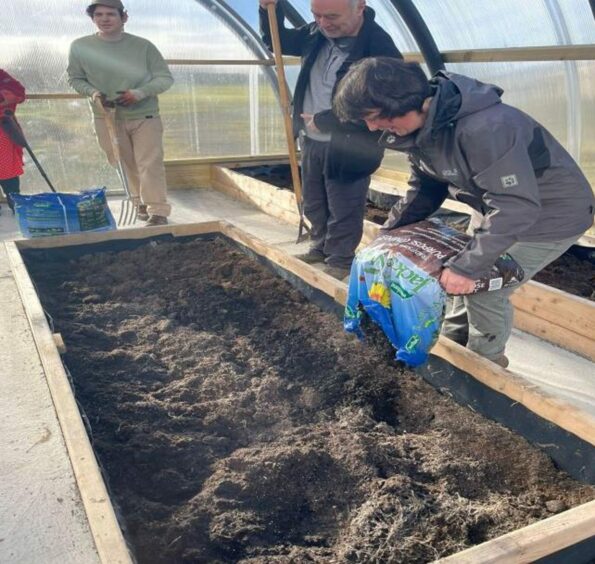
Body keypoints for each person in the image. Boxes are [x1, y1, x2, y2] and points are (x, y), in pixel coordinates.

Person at [333, 57, 595, 366]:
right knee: (457, 277)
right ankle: (453, 348)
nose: (372, 127)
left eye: (374, 117)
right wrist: (388, 233)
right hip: (496, 205)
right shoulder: (422, 130)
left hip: (548, 214)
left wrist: (467, 269)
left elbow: (517, 206)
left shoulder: (486, 129)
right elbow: (426, 186)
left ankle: (486, 367)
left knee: (483, 287)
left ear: (399, 101)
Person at [259, 0, 402, 280]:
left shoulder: (378, 47)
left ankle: (339, 259)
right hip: (313, 138)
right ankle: (319, 244)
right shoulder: (315, 34)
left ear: (359, 7)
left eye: (332, 16)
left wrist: (326, 119)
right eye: (317, 15)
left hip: (351, 143)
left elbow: (381, 104)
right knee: (315, 198)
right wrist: (267, 11)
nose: (324, 23)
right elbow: (278, 41)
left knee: (344, 203)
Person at [67, 0, 173, 226]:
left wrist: (140, 92)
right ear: (93, 18)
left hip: (144, 116)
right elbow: (75, 78)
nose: (104, 19)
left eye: (110, 14)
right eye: (99, 15)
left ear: (123, 17)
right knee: (123, 163)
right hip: (107, 117)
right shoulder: (80, 47)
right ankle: (139, 202)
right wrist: (93, 93)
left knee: (150, 163)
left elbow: (165, 78)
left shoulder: (143, 47)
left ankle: (158, 211)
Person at [0, 69, 26, 214]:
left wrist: (3, 96)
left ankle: (16, 206)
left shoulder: (1, 75)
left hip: (3, 130)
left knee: (7, 172)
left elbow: (19, 93)